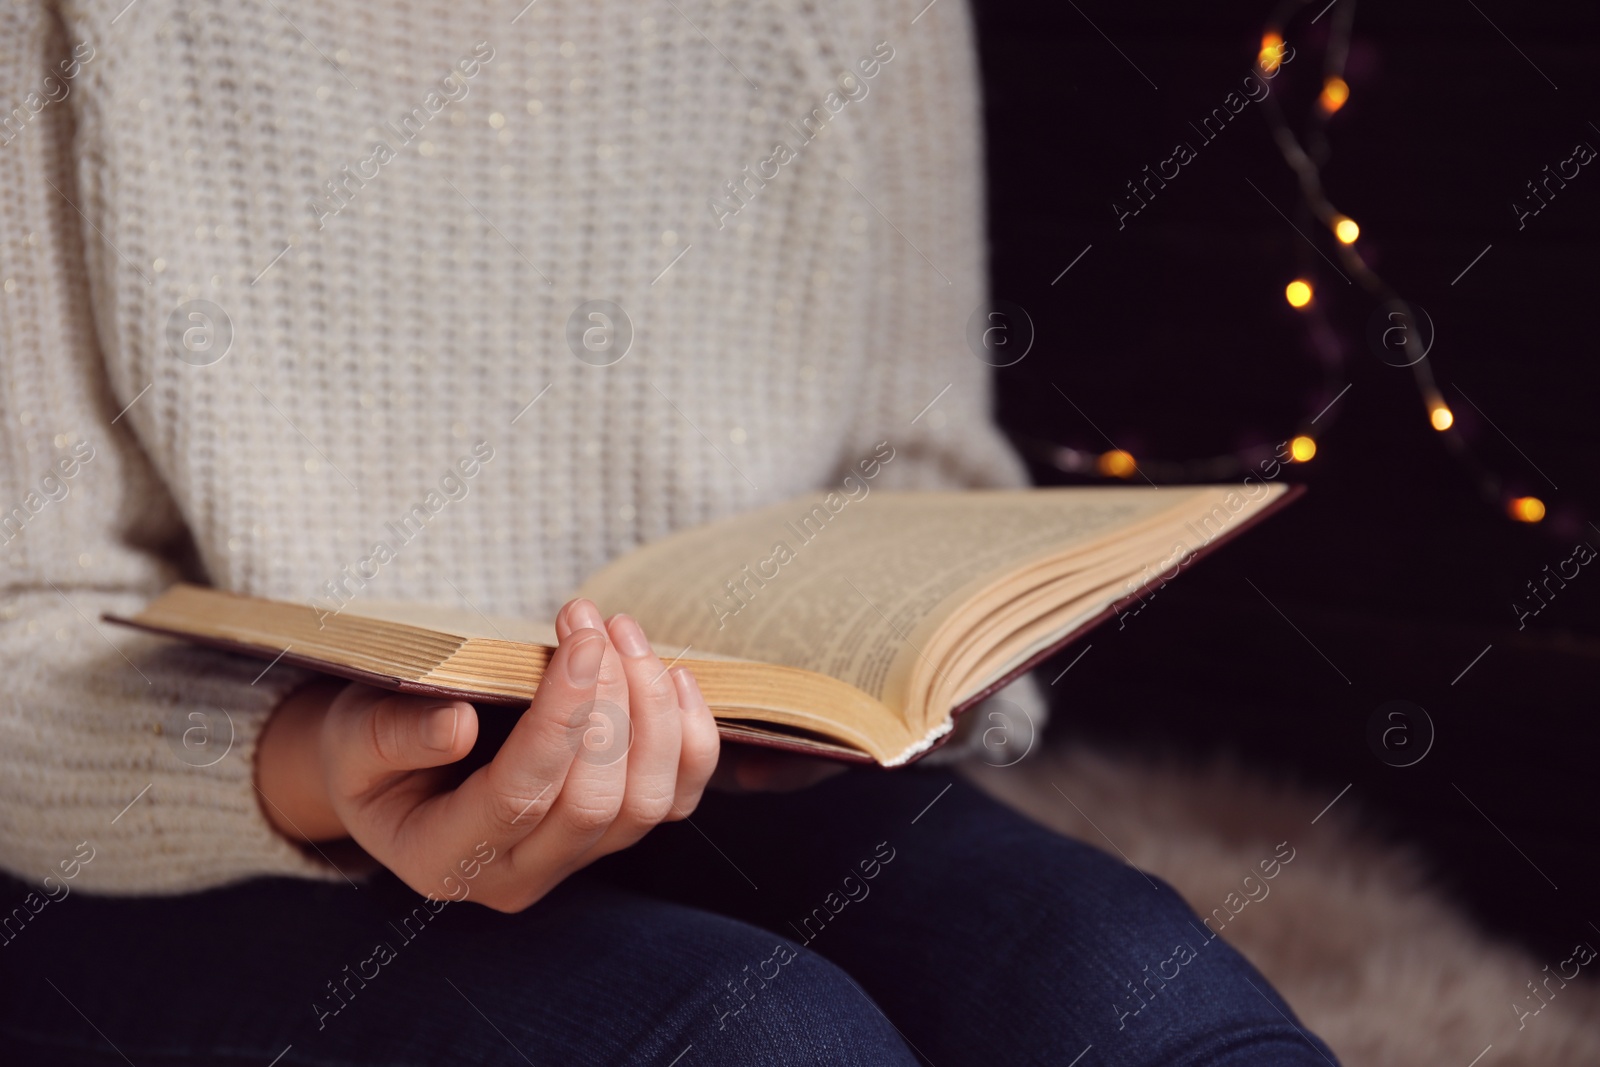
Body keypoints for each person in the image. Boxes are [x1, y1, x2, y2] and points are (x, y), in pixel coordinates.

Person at [0, 1, 1339, 1063]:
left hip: (735, 759)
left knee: (1131, 984)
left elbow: (917, 459)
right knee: (758, 1040)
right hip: (161, 840)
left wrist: (885, 669)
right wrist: (323, 769)